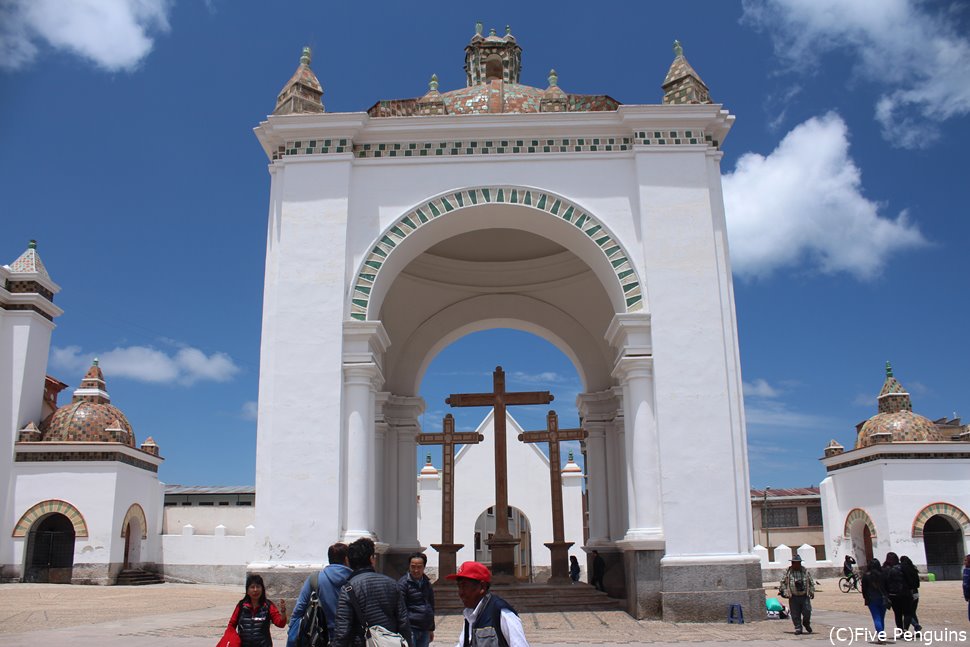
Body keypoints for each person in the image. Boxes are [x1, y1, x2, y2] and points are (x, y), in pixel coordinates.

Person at [333, 537, 412, 647]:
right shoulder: (392, 584)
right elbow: (403, 622)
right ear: (371, 559)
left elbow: (342, 629)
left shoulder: (348, 589)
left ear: (349, 561)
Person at [447, 561, 529, 647]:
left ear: (482, 587)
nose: (460, 593)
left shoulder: (501, 613)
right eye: (459, 587)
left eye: (464, 586)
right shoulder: (470, 616)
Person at [288, 542, 352, 646]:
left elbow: (300, 608)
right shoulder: (355, 580)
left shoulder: (315, 578)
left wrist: (292, 634)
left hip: (319, 638)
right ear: (346, 559)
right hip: (348, 638)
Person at [228, 573, 288, 647]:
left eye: (258, 587)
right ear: (247, 590)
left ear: (262, 589)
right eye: (252, 587)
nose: (255, 590)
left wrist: (283, 612)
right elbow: (231, 625)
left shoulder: (268, 605)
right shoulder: (241, 606)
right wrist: (230, 640)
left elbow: (280, 624)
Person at [399, 551, 435, 647]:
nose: (416, 570)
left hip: (425, 628)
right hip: (411, 629)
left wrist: (431, 628)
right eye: (413, 567)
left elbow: (431, 605)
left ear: (424, 567)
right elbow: (401, 608)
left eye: (419, 567)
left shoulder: (427, 583)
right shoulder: (403, 584)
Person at [779, 554, 815, 635]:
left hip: (804, 596)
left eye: (798, 563)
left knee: (807, 611)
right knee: (795, 613)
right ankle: (798, 627)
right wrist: (785, 591)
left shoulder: (805, 571)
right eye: (794, 563)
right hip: (793, 596)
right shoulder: (788, 572)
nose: (796, 564)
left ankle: (806, 623)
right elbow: (783, 583)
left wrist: (812, 591)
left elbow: (811, 582)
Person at [884, 552, 913, 633]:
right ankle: (906, 629)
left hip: (893, 595)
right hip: (905, 593)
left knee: (897, 613)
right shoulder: (903, 567)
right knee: (907, 612)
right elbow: (910, 580)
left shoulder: (886, 569)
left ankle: (900, 630)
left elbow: (885, 583)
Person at [861, 558, 889, 642]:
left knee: (876, 617)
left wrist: (865, 598)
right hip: (883, 598)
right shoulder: (883, 574)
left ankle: (881, 634)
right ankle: (881, 634)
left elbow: (864, 589)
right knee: (881, 617)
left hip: (872, 598)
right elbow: (887, 586)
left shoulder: (866, 575)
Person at [900, 555, 922, 632]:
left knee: (906, 612)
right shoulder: (913, 569)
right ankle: (917, 630)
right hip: (915, 592)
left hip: (907, 593)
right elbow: (918, 584)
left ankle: (913, 626)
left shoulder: (902, 569)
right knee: (913, 612)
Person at [963, 554, 970, 622]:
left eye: (966, 560)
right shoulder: (965, 570)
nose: (964, 562)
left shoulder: (967, 571)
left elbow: (966, 585)